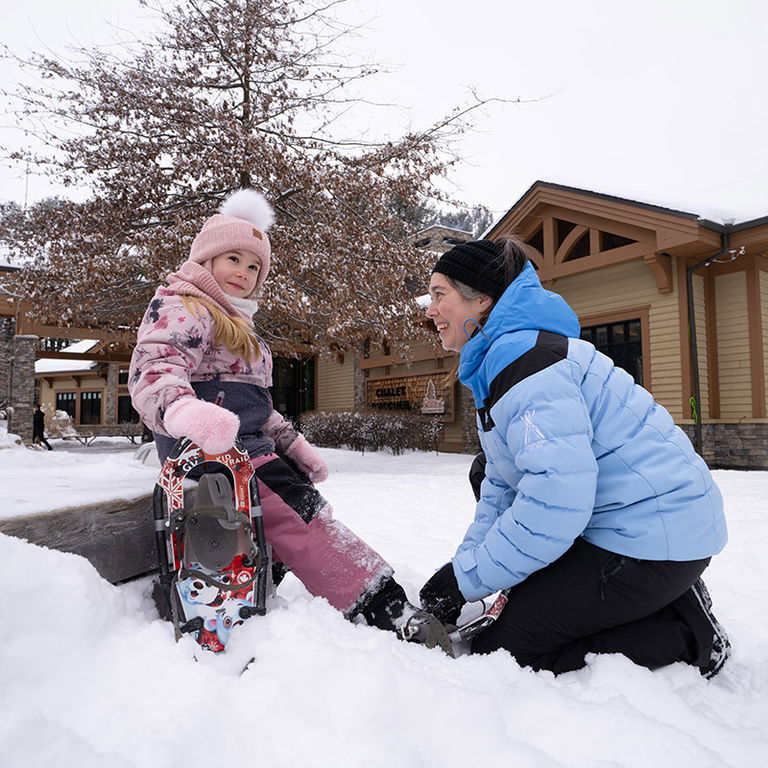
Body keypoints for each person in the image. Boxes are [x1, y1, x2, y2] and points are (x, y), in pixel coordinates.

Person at [418, 236, 731, 677]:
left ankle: (687, 632)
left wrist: (466, 580)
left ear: (482, 300)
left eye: (439, 295)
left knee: (505, 651)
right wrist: (464, 570)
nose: (430, 310)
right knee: (484, 472)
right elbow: (501, 487)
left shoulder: (528, 365)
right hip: (630, 526)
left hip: (652, 540)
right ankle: (657, 597)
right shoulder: (505, 360)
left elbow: (555, 499)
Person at [128, 189, 428, 637]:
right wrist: (188, 414)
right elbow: (155, 370)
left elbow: (257, 408)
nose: (243, 273)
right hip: (207, 455)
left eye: (254, 267)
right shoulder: (183, 307)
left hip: (247, 450)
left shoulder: (239, 325)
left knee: (301, 496)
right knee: (299, 514)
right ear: (206, 260)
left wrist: (292, 444)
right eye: (233, 259)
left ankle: (261, 580)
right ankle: (380, 602)